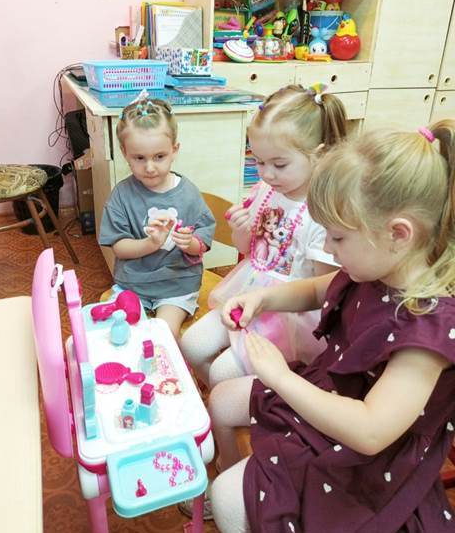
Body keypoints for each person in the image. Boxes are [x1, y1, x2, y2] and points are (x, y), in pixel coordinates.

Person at [209, 121, 455, 533]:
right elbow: (317, 289)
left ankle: (244, 501)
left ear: (398, 234)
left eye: (338, 238)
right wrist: (262, 299)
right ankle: (242, 483)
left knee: (227, 499)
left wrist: (281, 378)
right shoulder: (377, 267)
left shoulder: (426, 332)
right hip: (331, 392)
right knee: (219, 399)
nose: (326, 247)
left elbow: (371, 432)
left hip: (369, 457)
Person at [181, 84, 347, 388]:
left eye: (279, 164)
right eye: (258, 161)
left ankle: (241, 403)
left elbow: (325, 289)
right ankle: (226, 400)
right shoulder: (265, 190)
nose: (266, 174)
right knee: (191, 344)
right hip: (247, 290)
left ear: (319, 155)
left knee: (222, 373)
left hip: (290, 314)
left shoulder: (323, 214)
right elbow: (249, 250)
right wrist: (241, 231)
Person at [98, 95, 215, 337]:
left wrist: (190, 244)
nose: (150, 167)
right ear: (125, 153)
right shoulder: (121, 195)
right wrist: (151, 243)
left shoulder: (188, 193)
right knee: (123, 333)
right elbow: (119, 248)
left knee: (164, 333)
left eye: (159, 156)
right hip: (132, 284)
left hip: (177, 285)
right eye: (139, 158)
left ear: (174, 150)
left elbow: (202, 241)